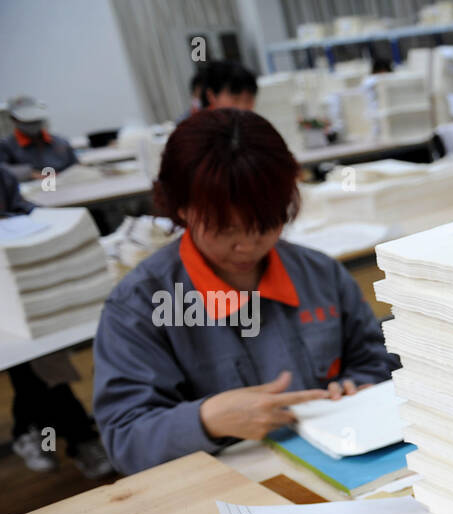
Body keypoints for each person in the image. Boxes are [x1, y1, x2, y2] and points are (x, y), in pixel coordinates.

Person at [93, 109, 398, 475]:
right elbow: (125, 440)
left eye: (266, 224)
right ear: (182, 209)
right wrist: (206, 420)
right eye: (224, 229)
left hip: (343, 467)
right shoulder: (140, 305)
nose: (247, 246)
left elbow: (375, 359)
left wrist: (360, 387)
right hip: (221, 489)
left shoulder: (320, 275)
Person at [1, 104, 113, 479]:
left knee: (38, 359)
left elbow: (22, 207)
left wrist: (47, 224)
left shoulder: (3, 175)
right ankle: (76, 437)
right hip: (11, 296)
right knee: (40, 365)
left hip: (18, 287)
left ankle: (33, 432)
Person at [0, 95, 78, 181]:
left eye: (36, 120)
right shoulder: (6, 147)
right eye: (28, 121)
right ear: (14, 119)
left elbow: (75, 166)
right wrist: (29, 173)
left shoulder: (60, 142)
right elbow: (3, 170)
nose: (33, 124)